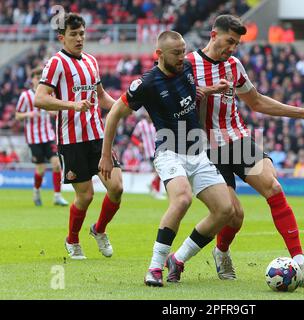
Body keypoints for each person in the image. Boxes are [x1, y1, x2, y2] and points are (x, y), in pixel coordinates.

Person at [187, 15, 304, 288]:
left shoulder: (234, 66)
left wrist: (301, 113)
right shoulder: (188, 64)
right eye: (229, 41)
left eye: (237, 43)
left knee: (274, 188)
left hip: (238, 140)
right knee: (234, 215)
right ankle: (221, 251)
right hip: (207, 149)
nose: (232, 48)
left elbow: (255, 102)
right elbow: (172, 103)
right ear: (213, 34)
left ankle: (300, 263)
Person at [99, 31, 234, 287]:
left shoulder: (188, 68)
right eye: (176, 53)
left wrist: (209, 89)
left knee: (224, 210)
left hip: (197, 149)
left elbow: (190, 91)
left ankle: (179, 259)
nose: (182, 56)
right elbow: (114, 114)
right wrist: (106, 154)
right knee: (182, 198)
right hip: (169, 150)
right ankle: (154, 268)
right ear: (159, 55)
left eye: (184, 50)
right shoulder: (147, 84)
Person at [34, 13, 123, 260]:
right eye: (74, 34)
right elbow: (39, 98)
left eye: (82, 33)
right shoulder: (56, 63)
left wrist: (121, 107)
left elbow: (101, 96)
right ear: (62, 37)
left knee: (116, 188)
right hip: (71, 140)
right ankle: (72, 239)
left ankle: (99, 230)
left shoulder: (91, 62)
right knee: (85, 196)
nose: (79, 38)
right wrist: (72, 105)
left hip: (97, 137)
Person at [15, 67, 68, 207]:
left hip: (48, 136)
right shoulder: (25, 96)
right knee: (41, 169)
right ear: (32, 80)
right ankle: (36, 192)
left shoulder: (48, 95)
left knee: (57, 164)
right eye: (36, 77)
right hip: (34, 139)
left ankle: (57, 196)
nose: (38, 80)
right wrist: (28, 115)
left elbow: (54, 110)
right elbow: (17, 115)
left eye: (41, 77)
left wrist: (54, 112)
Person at [131, 112, 165, 199]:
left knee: (159, 171)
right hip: (149, 151)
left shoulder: (156, 122)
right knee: (159, 170)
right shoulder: (141, 124)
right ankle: (155, 189)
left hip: (159, 149)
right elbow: (134, 137)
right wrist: (139, 144)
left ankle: (154, 187)